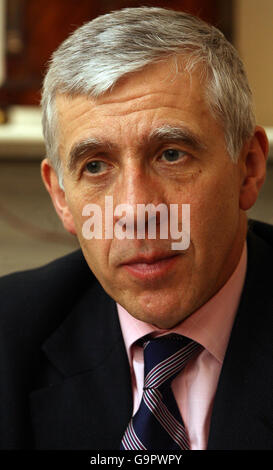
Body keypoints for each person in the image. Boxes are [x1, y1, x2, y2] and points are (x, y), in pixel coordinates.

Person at [0, 7, 272, 451]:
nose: (135, 210)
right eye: (95, 166)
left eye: (171, 155)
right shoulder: (9, 337)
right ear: (62, 197)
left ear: (248, 168)